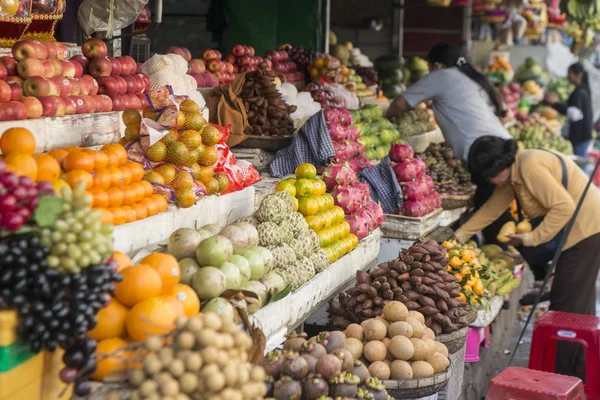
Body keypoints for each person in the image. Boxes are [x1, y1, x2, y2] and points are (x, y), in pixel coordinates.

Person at [454, 135, 600, 381]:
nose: (489, 182)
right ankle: (576, 375)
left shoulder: (530, 166)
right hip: (577, 234)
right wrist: (460, 234)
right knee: (575, 304)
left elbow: (564, 207)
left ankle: (561, 379)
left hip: (585, 233)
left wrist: (531, 238)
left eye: (488, 176)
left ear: (496, 168)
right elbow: (493, 207)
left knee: (566, 309)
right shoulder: (515, 172)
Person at [386, 42, 513, 247]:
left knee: (490, 205)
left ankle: (500, 251)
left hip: (484, 150)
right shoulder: (471, 77)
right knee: (499, 200)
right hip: (502, 144)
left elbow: (400, 103)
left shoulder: (441, 76)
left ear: (435, 65)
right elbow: (504, 114)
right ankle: (501, 250)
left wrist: (384, 119)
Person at [545, 62, 594, 158]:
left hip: (580, 136)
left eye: (569, 74)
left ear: (579, 75)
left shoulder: (579, 92)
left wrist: (555, 103)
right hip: (585, 135)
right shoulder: (584, 89)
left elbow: (575, 114)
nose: (568, 76)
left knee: (580, 165)